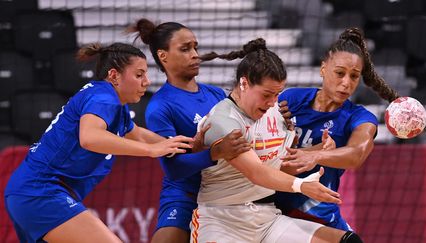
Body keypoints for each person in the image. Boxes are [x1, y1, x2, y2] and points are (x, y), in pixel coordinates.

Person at [4, 42, 194, 243]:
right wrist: (151, 150)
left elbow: (135, 133)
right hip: (42, 193)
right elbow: (90, 138)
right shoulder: (103, 97)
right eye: (139, 75)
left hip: (29, 193)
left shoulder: (111, 103)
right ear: (114, 76)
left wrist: (182, 145)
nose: (146, 82)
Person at [191, 38, 363, 243]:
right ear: (244, 83)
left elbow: (280, 166)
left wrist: (319, 150)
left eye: (277, 94)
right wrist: (301, 185)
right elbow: (257, 172)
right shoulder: (222, 121)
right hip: (222, 220)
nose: (273, 101)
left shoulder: (276, 113)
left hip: (267, 218)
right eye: (267, 94)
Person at [127, 19, 251, 243]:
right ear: (163, 56)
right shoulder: (160, 106)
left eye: (195, 47)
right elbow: (173, 169)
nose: (195, 54)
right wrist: (214, 153)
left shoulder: (217, 95)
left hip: (227, 192)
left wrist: (277, 115)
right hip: (186, 194)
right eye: (185, 49)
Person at [274, 27, 400, 231]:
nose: (346, 83)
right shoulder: (291, 99)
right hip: (271, 207)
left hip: (317, 215)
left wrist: (316, 156)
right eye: (340, 73)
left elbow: (356, 154)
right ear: (323, 69)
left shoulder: (359, 117)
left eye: (354, 76)